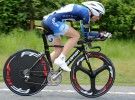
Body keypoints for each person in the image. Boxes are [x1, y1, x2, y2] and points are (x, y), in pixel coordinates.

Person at [42, 1, 111, 72]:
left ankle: (41, 68)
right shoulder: (85, 13)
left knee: (58, 50)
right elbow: (86, 34)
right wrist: (100, 35)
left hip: (48, 21)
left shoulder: (83, 12)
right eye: (100, 15)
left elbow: (85, 34)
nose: (99, 18)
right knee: (76, 36)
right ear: (95, 11)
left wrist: (98, 35)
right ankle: (61, 59)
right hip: (52, 22)